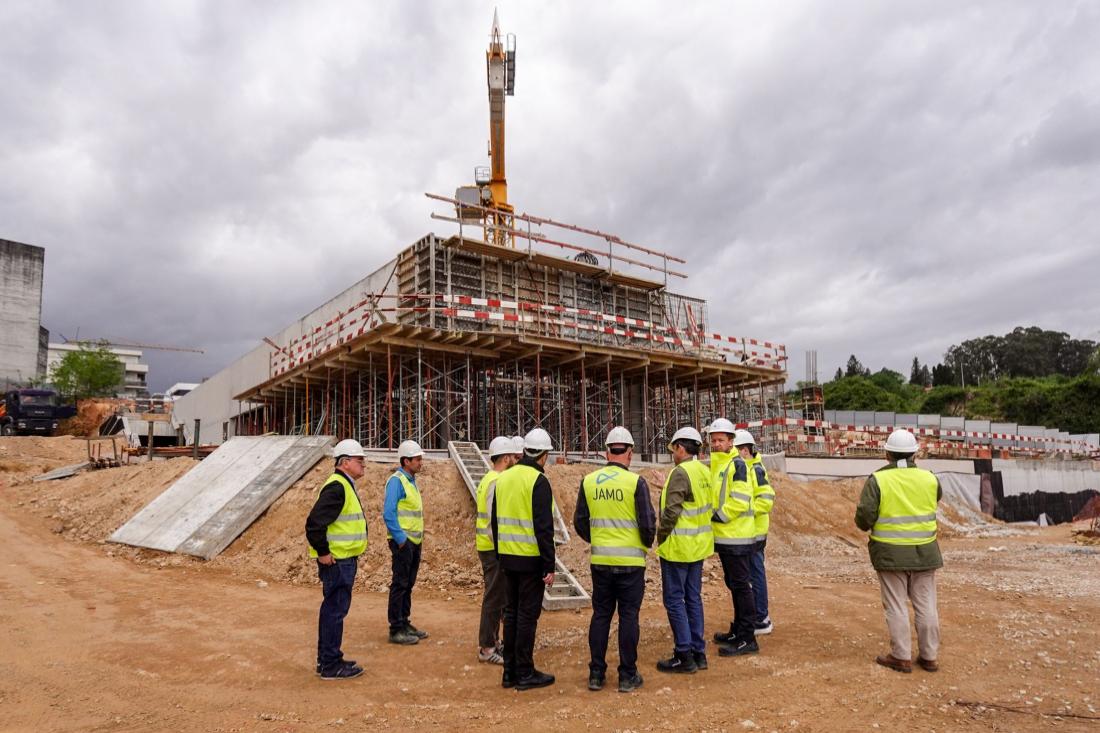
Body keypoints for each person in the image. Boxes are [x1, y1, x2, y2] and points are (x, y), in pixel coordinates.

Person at [574, 426, 656, 693]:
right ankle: (627, 675)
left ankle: (596, 674)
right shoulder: (636, 483)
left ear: (606, 452)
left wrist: (599, 539)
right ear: (630, 453)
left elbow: (580, 523)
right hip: (631, 564)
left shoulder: (588, 481)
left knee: (601, 615)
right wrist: (642, 544)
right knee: (629, 616)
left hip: (601, 562)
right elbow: (647, 524)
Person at [855, 429, 942, 673]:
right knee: (926, 605)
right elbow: (935, 500)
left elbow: (864, 516)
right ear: (915, 452)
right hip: (925, 552)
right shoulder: (930, 478)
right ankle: (929, 656)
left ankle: (901, 656)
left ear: (887, 454)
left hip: (890, 553)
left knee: (896, 605)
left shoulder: (878, 480)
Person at [492, 427, 557, 691]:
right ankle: (525, 671)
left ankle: (509, 673)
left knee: (511, 614)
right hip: (530, 560)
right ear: (543, 455)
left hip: (507, 558)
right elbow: (544, 528)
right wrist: (549, 565)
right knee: (527, 617)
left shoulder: (504, 478)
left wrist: (500, 554)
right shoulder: (538, 481)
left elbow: (495, 522)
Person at [305, 438, 369, 680]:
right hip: (337, 562)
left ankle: (328, 660)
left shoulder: (343, 484)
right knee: (334, 612)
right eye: (359, 460)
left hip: (342, 560)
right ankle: (330, 665)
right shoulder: (337, 487)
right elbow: (314, 524)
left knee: (333, 611)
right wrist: (323, 553)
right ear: (344, 462)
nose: (363, 464)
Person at [655, 426, 714, 674]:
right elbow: (692, 501)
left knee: (674, 600)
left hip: (678, 547)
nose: (673, 454)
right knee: (692, 598)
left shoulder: (681, 472)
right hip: (698, 547)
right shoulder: (703, 470)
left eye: (674, 449)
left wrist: (660, 536)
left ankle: (683, 654)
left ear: (681, 447)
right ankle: (698, 653)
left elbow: (672, 512)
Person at [706, 422, 760, 657]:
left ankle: (748, 638)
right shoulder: (720, 466)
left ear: (731, 442)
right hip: (727, 537)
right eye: (714, 440)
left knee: (741, 586)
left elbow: (740, 498)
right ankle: (738, 630)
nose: (717, 444)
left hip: (736, 535)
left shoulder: (736, 464)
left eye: (721, 440)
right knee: (735, 585)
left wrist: (718, 516)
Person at [474, 436, 516, 664]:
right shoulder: (495, 481)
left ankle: (493, 641)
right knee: (493, 598)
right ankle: (487, 648)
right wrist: (501, 549)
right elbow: (492, 519)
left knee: (498, 597)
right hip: (492, 548)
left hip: (490, 546)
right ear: (506, 457)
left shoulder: (489, 478)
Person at [383, 439, 428, 645]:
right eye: (417, 459)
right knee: (400, 583)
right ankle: (396, 628)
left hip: (413, 541)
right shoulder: (397, 481)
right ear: (406, 461)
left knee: (408, 583)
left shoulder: (410, 481)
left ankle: (404, 622)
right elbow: (389, 513)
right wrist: (401, 540)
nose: (420, 462)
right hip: (403, 542)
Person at [744, 430, 775, 636]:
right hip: (748, 531)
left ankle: (762, 618)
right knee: (750, 575)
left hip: (755, 532)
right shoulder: (747, 469)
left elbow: (765, 500)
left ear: (745, 450)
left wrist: (743, 512)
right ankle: (755, 614)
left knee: (756, 574)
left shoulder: (755, 469)